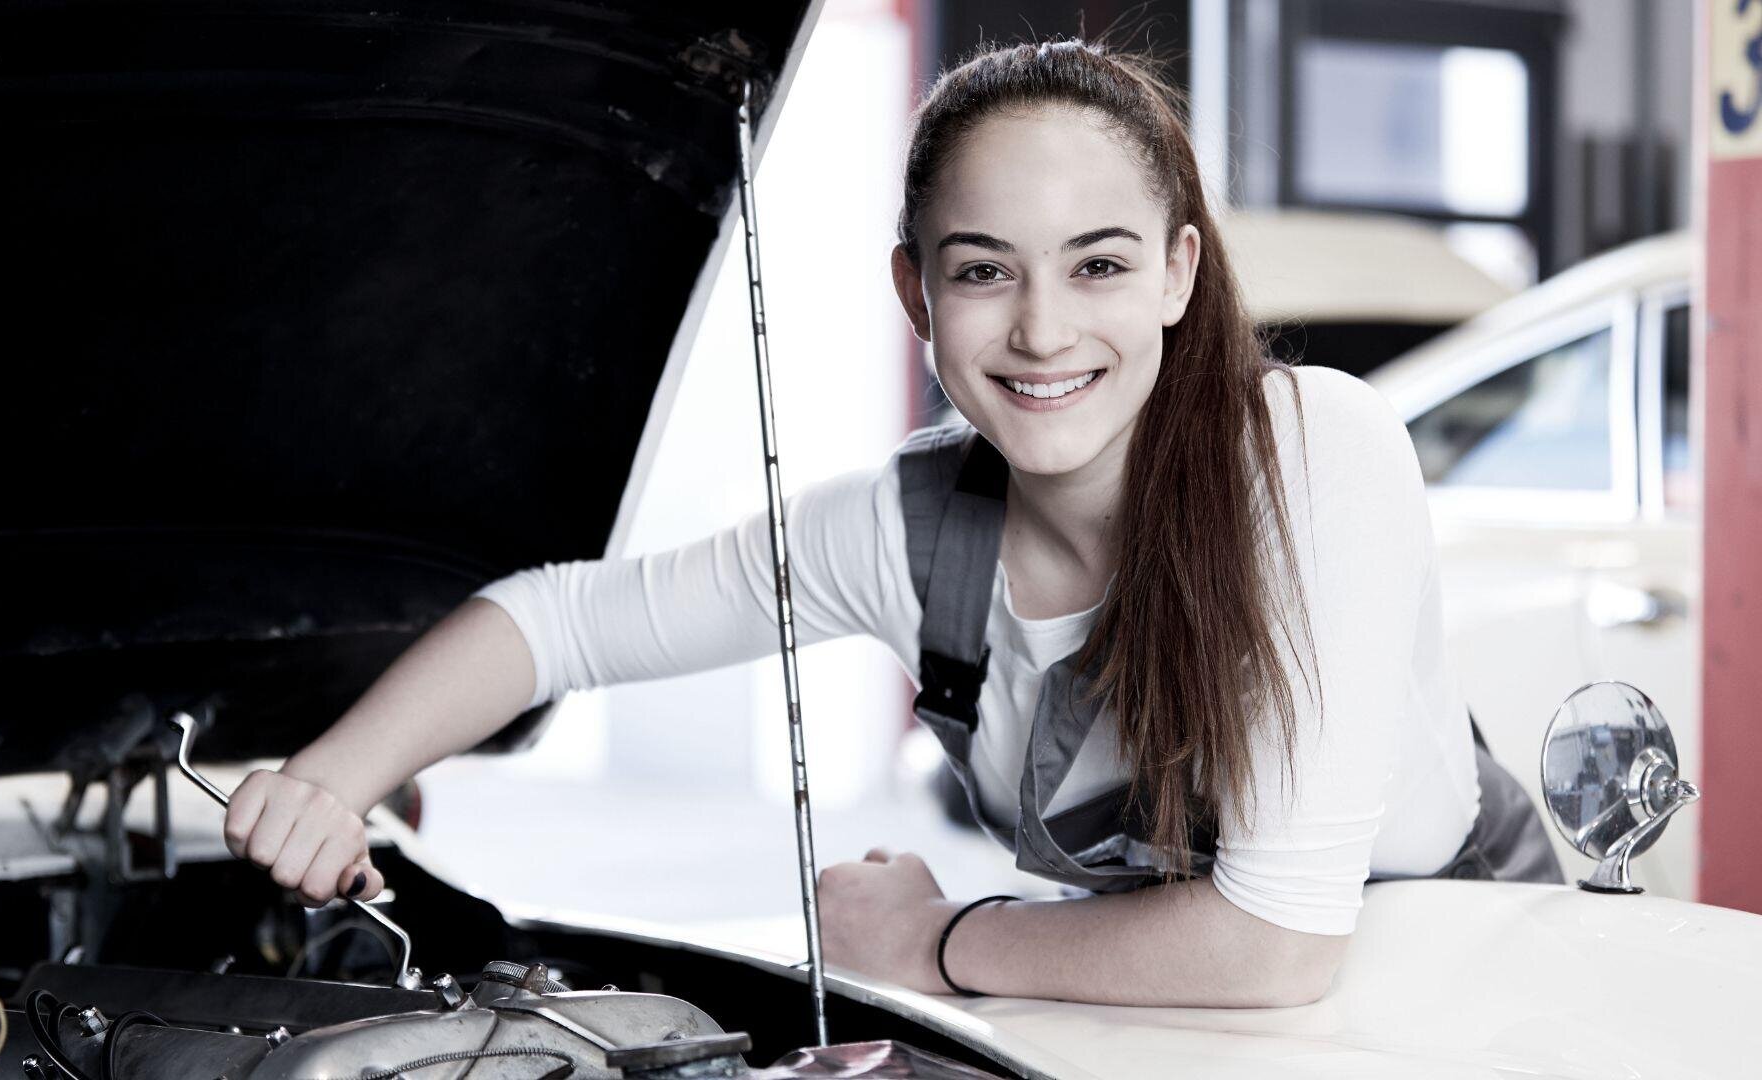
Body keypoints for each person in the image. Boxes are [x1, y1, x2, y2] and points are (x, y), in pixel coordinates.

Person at [220, 39, 1560, 1009]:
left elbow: (1277, 944)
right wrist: (328, 778)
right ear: (917, 296)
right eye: (985, 272)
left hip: (1476, 994)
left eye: (1097, 263)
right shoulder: (911, 533)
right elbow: (559, 621)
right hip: (1183, 1031)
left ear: (1178, 272)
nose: (1043, 330)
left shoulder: (1315, 453)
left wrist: (937, 940)